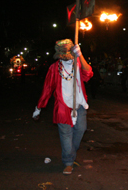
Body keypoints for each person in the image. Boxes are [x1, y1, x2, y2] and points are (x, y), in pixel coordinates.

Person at [32, 39, 93, 175]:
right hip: (62, 107)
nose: (66, 53)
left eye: (68, 50)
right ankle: (68, 162)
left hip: (80, 105)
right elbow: (47, 88)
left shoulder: (78, 63)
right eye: (63, 51)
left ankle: (70, 153)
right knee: (66, 135)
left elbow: (88, 74)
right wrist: (38, 107)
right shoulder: (54, 68)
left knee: (81, 130)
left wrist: (80, 55)